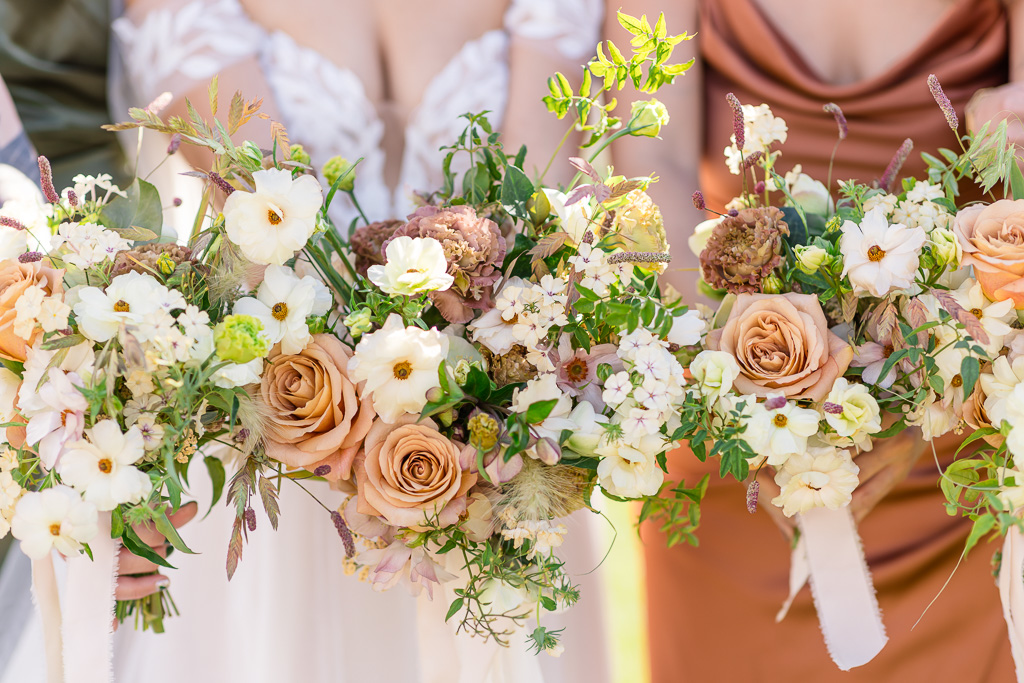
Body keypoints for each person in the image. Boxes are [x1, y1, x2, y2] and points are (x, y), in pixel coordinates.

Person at [0, 2, 612, 682]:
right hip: (287, 443)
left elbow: (534, 215)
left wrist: (493, 396)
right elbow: (272, 221)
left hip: (500, 450)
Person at [610, 0, 1019, 681]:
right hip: (739, 464)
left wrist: (926, 398)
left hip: (956, 462)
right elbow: (644, 173)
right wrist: (752, 391)